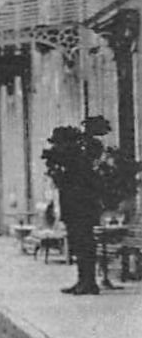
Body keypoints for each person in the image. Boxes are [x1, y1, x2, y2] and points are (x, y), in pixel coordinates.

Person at [48, 116, 108, 296]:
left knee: (84, 242)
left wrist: (62, 172)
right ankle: (83, 280)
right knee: (78, 242)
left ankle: (89, 283)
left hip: (82, 205)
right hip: (73, 204)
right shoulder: (79, 150)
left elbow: (84, 177)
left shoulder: (89, 150)